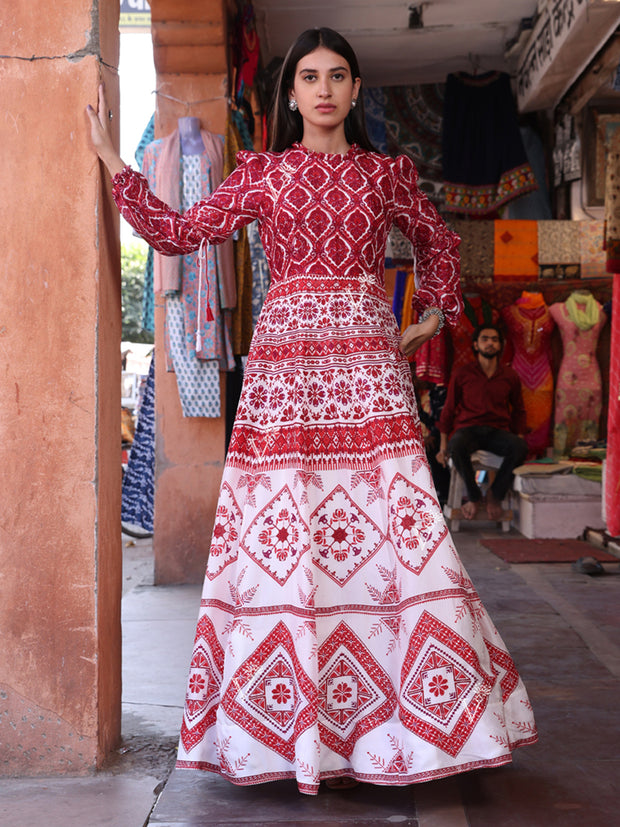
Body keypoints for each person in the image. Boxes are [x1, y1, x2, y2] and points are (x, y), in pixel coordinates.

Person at [87, 27, 536, 795]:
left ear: (356, 90)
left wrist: (430, 314)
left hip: (369, 373)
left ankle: (419, 730)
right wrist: (112, 165)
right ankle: (295, 734)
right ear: (289, 94)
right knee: (288, 542)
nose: (323, 89)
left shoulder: (385, 175)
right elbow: (179, 231)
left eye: (337, 76)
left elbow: (438, 242)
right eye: (309, 77)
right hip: (283, 385)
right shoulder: (263, 174)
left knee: (399, 538)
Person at [436, 324, 528, 521]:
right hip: (469, 430)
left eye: (495, 339)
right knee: (457, 444)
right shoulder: (462, 374)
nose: (490, 343)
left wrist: (518, 438)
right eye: (485, 339)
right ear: (476, 345)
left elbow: (519, 410)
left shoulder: (509, 375)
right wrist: (443, 446)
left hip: (497, 431)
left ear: (500, 345)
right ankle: (474, 497)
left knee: (519, 446)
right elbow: (449, 409)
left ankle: (495, 495)